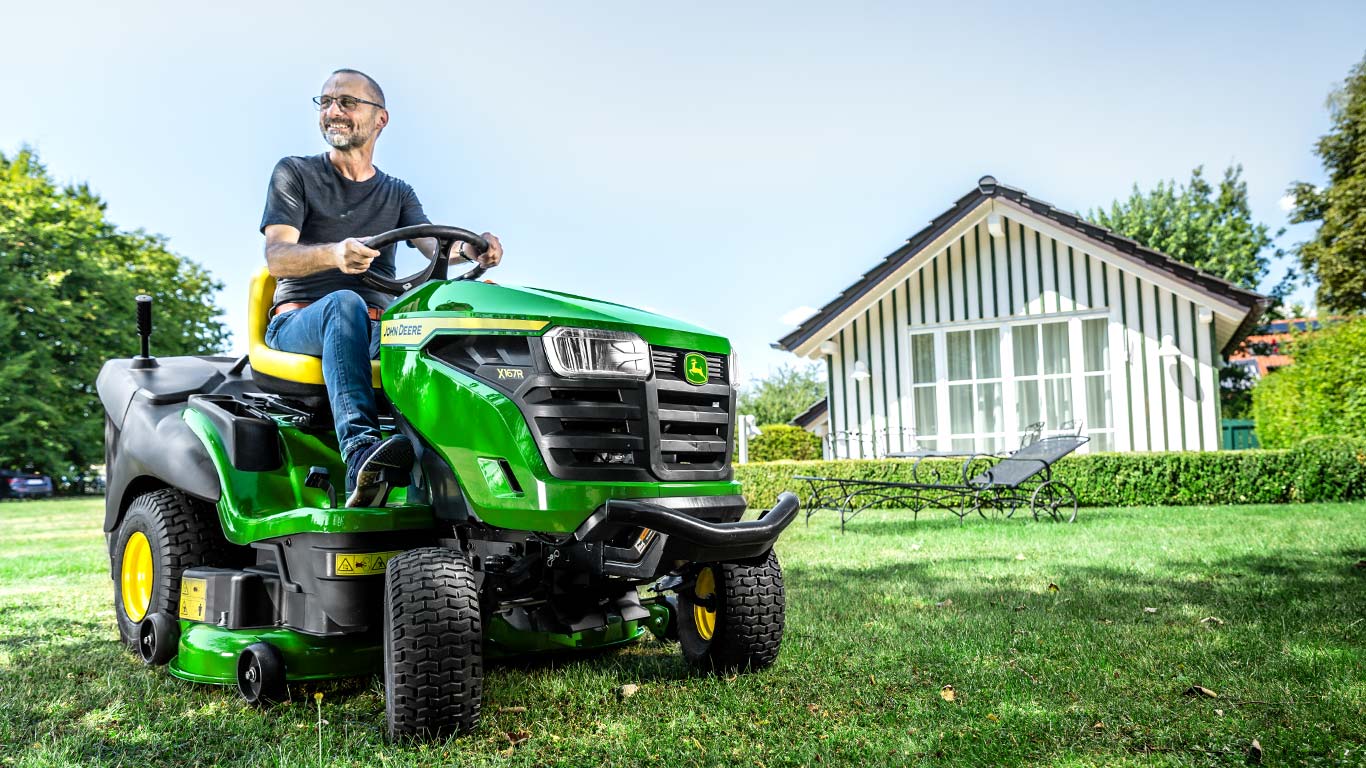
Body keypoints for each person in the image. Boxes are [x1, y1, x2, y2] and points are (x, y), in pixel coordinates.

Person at [259, 68, 504, 507]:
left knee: (452, 317)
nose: (333, 111)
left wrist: (475, 251)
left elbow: (433, 246)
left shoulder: (396, 192)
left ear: (380, 119)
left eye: (347, 102)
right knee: (345, 305)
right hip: (301, 321)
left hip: (377, 330)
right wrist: (334, 255)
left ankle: (470, 467)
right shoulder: (295, 173)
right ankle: (359, 455)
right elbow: (277, 255)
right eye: (326, 102)